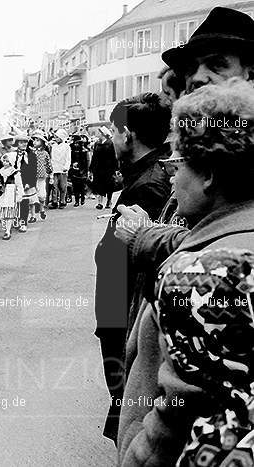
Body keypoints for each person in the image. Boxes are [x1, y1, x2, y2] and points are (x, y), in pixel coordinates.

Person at [116, 78, 254, 466]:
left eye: (178, 164)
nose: (172, 179)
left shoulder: (202, 273)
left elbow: (172, 420)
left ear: (208, 173)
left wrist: (132, 456)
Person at [94, 92, 173, 444]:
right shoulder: (143, 174)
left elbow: (146, 259)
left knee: (129, 402)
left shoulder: (150, 183)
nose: (111, 140)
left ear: (128, 134)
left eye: (113, 132)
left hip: (125, 310)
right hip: (118, 306)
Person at [0, 152, 23, 240]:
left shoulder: (15, 172)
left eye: (7, 161)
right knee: (2, 213)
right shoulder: (0, 171)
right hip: (2, 193)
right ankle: (7, 227)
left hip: (11, 193)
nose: (5, 163)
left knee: (9, 212)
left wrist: (19, 194)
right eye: (4, 161)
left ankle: (7, 230)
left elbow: (19, 185)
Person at [89, 127, 118, 210]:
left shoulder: (110, 143)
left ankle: (109, 200)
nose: (97, 134)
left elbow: (114, 157)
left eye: (99, 132)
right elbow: (94, 157)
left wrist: (116, 168)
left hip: (108, 168)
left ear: (103, 134)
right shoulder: (97, 143)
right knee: (99, 185)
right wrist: (91, 169)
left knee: (109, 185)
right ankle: (100, 203)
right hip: (98, 168)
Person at [30, 132, 51, 219]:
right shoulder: (30, 152)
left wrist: (51, 175)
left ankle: (42, 209)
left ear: (42, 142)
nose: (35, 142)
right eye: (34, 140)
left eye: (37, 140)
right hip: (31, 177)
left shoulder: (45, 153)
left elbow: (48, 164)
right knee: (31, 196)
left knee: (41, 195)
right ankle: (33, 215)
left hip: (41, 177)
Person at [49, 129, 70, 209]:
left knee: (63, 186)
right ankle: (54, 201)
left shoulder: (66, 146)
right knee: (54, 186)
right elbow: (52, 157)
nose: (56, 138)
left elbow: (68, 158)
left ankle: (62, 201)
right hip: (54, 168)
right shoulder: (53, 146)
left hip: (63, 169)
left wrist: (66, 167)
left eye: (57, 137)